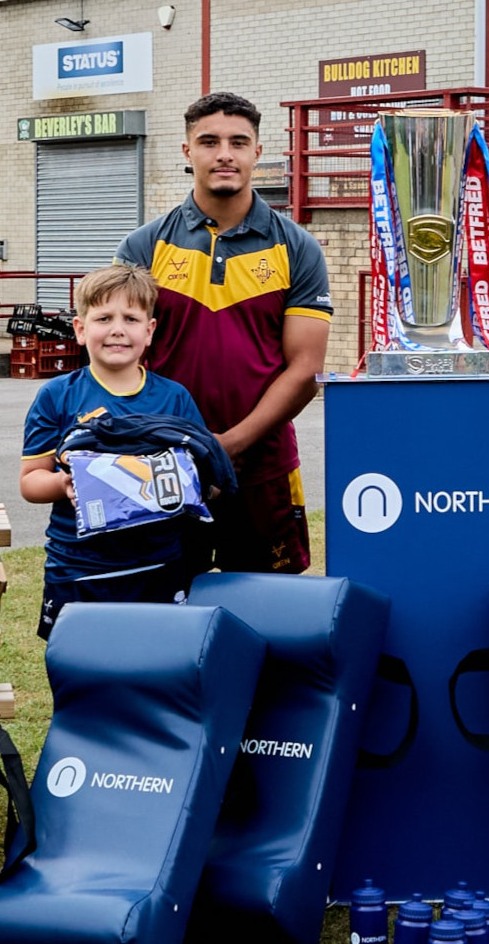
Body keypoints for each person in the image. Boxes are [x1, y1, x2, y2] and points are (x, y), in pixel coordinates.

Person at [120, 91, 331, 575]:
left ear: (257, 152)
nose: (224, 155)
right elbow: (118, 359)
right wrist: (184, 445)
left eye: (238, 142)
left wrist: (227, 444)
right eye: (209, 142)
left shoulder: (298, 248)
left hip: (264, 467)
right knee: (164, 603)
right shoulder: (143, 246)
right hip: (162, 463)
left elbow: (305, 370)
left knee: (267, 607)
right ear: (187, 150)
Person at [20, 265, 218, 643]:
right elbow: (30, 481)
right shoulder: (57, 395)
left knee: (156, 662)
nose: (117, 329)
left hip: (158, 564)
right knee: (79, 665)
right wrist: (64, 484)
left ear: (150, 330)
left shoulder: (174, 397)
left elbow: (208, 480)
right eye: (103, 318)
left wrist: (184, 486)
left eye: (131, 318)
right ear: (80, 329)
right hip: (78, 566)